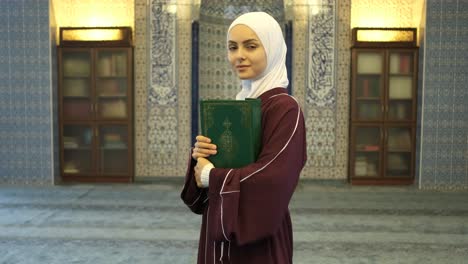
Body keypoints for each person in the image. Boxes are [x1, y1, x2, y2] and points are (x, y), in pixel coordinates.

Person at [181, 11, 307, 264]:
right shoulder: (239, 104)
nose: (239, 55)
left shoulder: (284, 107)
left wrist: (210, 175)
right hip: (220, 227)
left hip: (259, 233)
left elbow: (275, 176)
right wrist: (202, 156)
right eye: (232, 47)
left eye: (251, 46)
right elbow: (212, 176)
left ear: (271, 49)